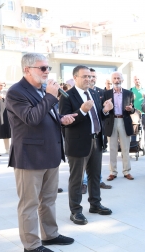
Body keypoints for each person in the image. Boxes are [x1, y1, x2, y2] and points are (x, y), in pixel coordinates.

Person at [5, 53, 76, 252]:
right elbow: (31, 118)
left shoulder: (44, 90)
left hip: (50, 154)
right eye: (42, 68)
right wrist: (51, 97)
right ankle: (31, 245)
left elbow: (46, 115)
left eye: (48, 68)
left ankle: (50, 235)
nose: (47, 72)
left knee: (49, 199)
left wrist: (61, 118)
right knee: (29, 204)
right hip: (29, 157)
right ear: (27, 70)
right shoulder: (16, 92)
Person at [60, 65, 113, 225]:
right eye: (85, 77)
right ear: (75, 77)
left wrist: (105, 111)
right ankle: (75, 211)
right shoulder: (67, 96)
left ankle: (95, 204)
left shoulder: (94, 93)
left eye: (90, 77)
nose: (89, 79)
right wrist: (82, 111)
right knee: (76, 179)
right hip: (78, 144)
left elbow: (98, 117)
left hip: (96, 140)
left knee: (95, 175)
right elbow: (65, 123)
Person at [103, 71, 136, 181]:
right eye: (115, 78)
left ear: (122, 80)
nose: (117, 80)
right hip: (111, 121)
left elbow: (133, 109)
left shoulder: (129, 93)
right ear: (112, 81)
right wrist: (106, 108)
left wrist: (131, 109)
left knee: (125, 148)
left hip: (124, 120)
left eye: (118, 78)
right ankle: (113, 172)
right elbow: (103, 110)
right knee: (112, 148)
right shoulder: (106, 94)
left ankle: (126, 171)